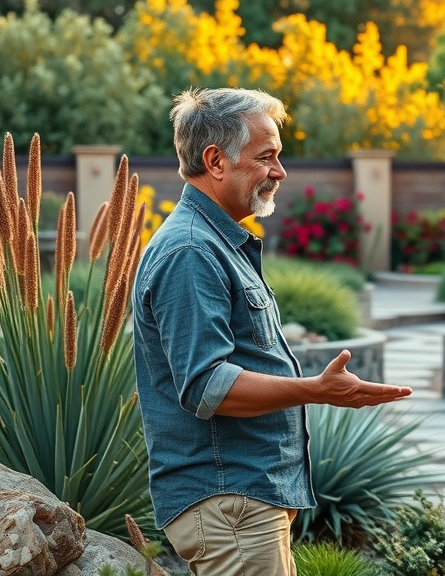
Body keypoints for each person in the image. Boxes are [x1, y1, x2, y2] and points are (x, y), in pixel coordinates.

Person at [131, 87, 411, 576]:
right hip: (229, 503)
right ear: (215, 161)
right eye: (266, 157)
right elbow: (208, 385)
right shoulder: (191, 251)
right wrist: (316, 390)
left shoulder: (214, 242)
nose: (280, 172)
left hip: (240, 505)